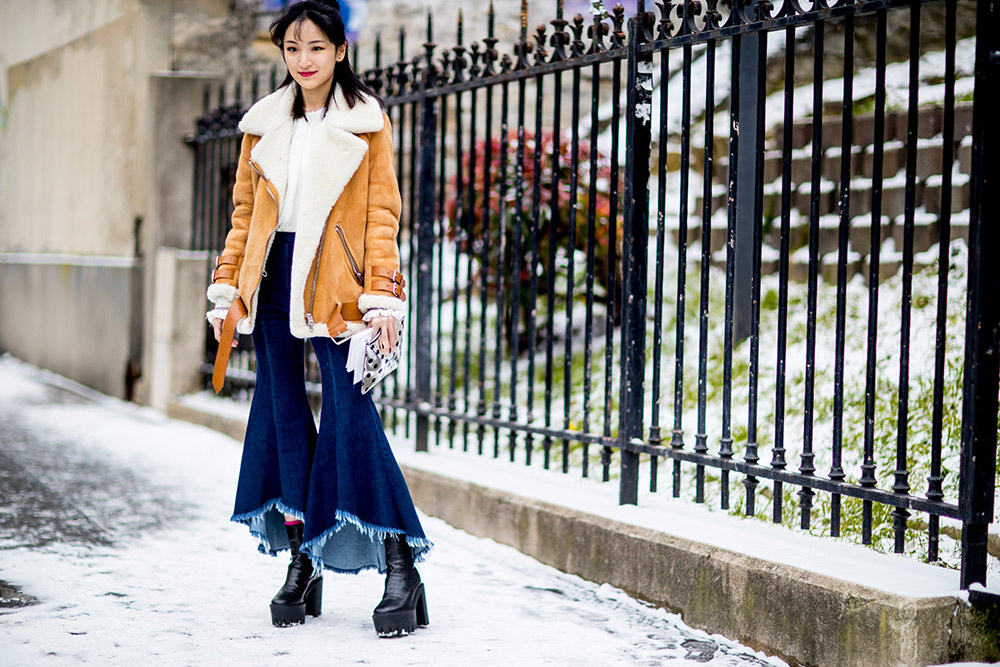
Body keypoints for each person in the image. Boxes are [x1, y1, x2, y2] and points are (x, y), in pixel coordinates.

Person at [204, 0, 430, 636]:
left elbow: (382, 214)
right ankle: (304, 560)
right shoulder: (263, 125)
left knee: (350, 414)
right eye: (292, 49)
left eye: (315, 48)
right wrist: (228, 288)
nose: (303, 61)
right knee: (281, 416)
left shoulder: (365, 123)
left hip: (337, 283)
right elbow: (245, 216)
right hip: (271, 276)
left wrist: (382, 297)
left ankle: (400, 565)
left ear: (341, 51)